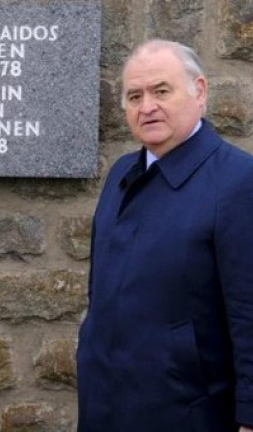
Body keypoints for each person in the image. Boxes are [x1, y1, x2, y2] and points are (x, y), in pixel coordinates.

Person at [77, 39, 253, 431]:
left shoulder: (239, 181)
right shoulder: (121, 173)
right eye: (134, 96)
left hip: (185, 410)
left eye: (161, 91)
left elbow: (249, 312)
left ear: (199, 92)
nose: (147, 107)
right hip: (104, 404)